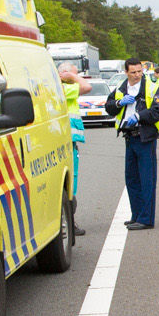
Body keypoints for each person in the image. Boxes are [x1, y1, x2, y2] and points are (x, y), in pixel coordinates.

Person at [104, 60, 159, 229]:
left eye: (140, 71)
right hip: (129, 137)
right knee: (132, 179)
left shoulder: (152, 88)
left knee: (147, 179)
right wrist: (119, 103)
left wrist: (139, 116)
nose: (137, 75)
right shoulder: (121, 89)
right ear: (126, 72)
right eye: (133, 72)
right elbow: (109, 107)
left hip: (145, 137)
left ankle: (146, 219)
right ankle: (137, 215)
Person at [58, 65, 92, 236]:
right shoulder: (64, 88)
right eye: (75, 74)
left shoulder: (61, 88)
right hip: (66, 143)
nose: (77, 77)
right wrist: (70, 76)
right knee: (70, 184)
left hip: (68, 142)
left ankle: (69, 222)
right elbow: (87, 87)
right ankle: (70, 224)